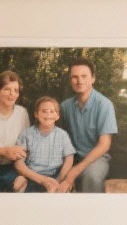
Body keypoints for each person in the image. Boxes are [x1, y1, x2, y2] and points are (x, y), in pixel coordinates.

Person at [58, 58, 117, 192]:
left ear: (93, 79)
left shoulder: (104, 105)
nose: (79, 81)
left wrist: (75, 170)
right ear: (70, 80)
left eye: (84, 76)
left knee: (90, 176)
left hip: (96, 159)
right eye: (75, 77)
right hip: (71, 157)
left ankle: (90, 213)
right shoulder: (65, 106)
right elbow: (60, 139)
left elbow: (104, 145)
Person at [12, 97, 75, 192]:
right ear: (36, 114)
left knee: (63, 188)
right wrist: (42, 180)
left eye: (52, 111)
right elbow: (19, 164)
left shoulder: (62, 135)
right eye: (44, 111)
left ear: (57, 116)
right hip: (33, 177)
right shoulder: (26, 134)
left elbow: (69, 159)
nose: (48, 114)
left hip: (55, 176)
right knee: (19, 183)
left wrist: (58, 180)